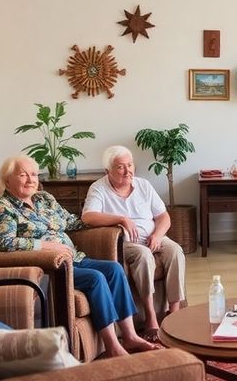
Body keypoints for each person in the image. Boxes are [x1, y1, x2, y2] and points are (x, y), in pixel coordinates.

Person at [0, 155, 160, 358]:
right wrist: (44, 245)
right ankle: (112, 346)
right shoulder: (3, 208)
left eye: (33, 174)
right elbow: (0, 242)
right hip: (49, 266)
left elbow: (72, 222)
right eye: (23, 175)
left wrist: (112, 220)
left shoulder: (44, 199)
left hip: (74, 257)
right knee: (95, 278)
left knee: (114, 269)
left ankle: (129, 336)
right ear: (7, 180)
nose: (30, 180)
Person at [80, 145, 186, 343]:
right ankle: (151, 318)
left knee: (175, 251)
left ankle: (174, 313)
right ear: (107, 171)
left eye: (130, 165)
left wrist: (156, 235)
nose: (128, 171)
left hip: (153, 236)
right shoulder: (98, 188)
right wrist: (121, 219)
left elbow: (164, 217)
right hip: (126, 242)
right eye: (121, 167)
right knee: (144, 256)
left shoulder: (143, 185)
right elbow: (88, 217)